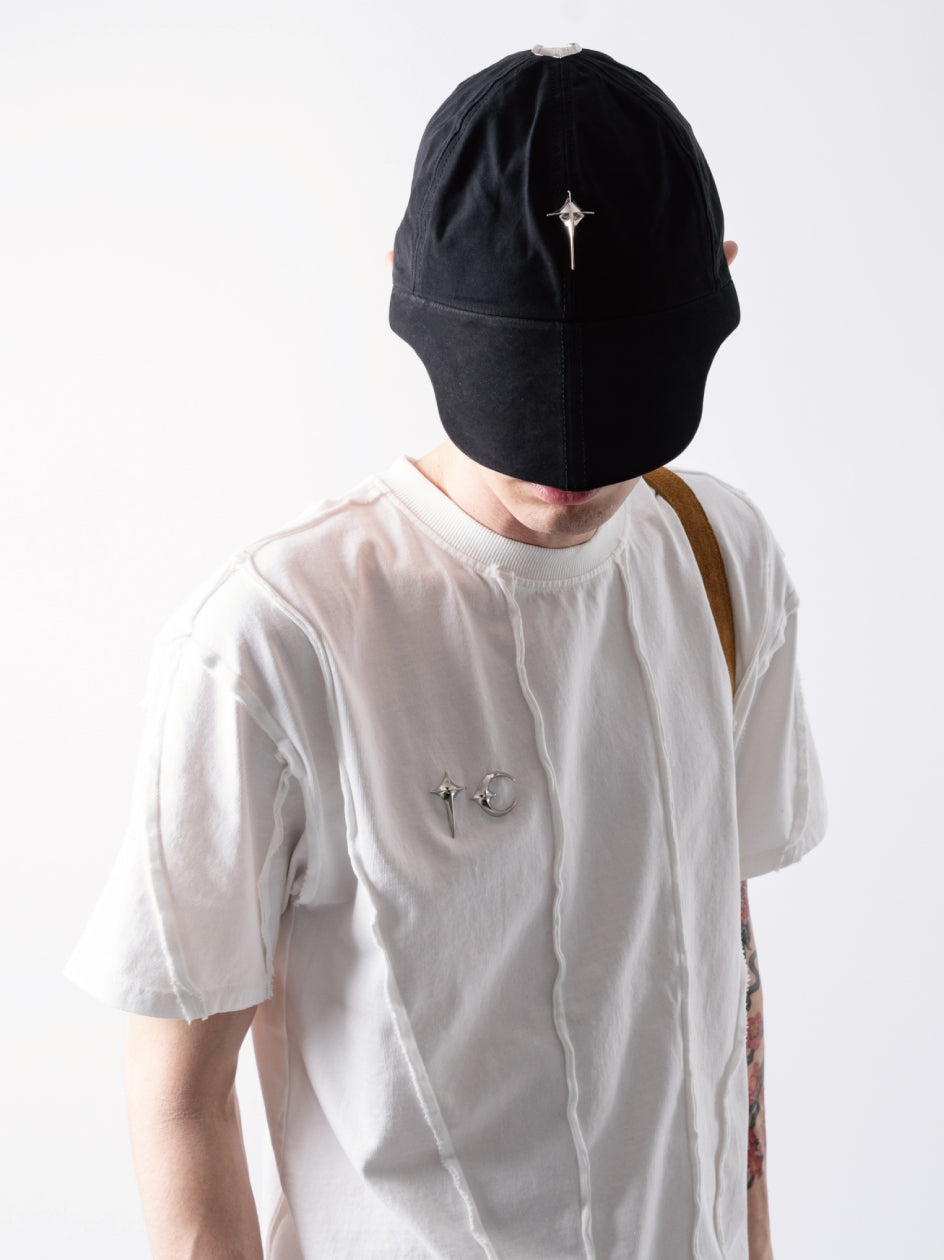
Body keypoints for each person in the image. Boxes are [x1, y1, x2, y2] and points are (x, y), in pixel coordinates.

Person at [66, 44, 826, 1260]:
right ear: (401, 292)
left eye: (618, 385)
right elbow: (179, 1099)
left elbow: (717, 959)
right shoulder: (269, 645)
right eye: (515, 378)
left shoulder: (719, 558)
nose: (567, 460)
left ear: (718, 292)